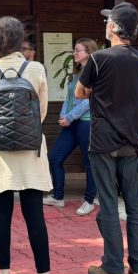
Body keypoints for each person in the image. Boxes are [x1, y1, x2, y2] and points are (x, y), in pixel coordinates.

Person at [0, 16, 62, 274]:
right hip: (31, 150)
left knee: (0, 214)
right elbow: (43, 111)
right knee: (34, 215)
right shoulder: (35, 68)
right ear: (19, 38)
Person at [77, 2, 138, 274]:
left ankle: (113, 266)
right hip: (132, 138)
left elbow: (80, 92)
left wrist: (95, 90)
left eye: (108, 21)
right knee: (134, 203)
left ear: (114, 28)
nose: (105, 25)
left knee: (108, 203)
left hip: (104, 138)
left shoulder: (99, 58)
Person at [44, 38, 99, 214]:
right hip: (71, 122)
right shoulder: (76, 74)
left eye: (78, 50)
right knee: (55, 157)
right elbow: (69, 98)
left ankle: (90, 200)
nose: (74, 53)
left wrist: (70, 117)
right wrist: (63, 115)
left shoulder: (94, 73)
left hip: (85, 122)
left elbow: (88, 101)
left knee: (89, 162)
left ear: (89, 52)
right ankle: (58, 197)